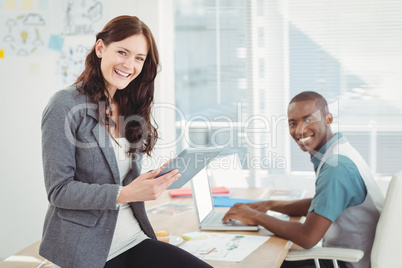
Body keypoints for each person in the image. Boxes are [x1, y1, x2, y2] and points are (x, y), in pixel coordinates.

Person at [40, 15, 212, 268]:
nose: (129, 65)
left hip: (133, 238)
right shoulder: (64, 104)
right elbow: (59, 190)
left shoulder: (129, 104)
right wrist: (126, 193)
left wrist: (154, 180)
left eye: (139, 58)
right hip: (88, 251)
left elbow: (121, 178)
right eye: (122, 52)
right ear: (100, 48)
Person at [222, 91, 384, 268]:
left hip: (347, 263)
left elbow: (308, 237)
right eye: (293, 123)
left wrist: (256, 217)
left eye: (308, 120)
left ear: (328, 119)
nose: (299, 130)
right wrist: (270, 205)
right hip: (346, 258)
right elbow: (323, 204)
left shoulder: (336, 167)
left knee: (258, 260)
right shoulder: (339, 152)